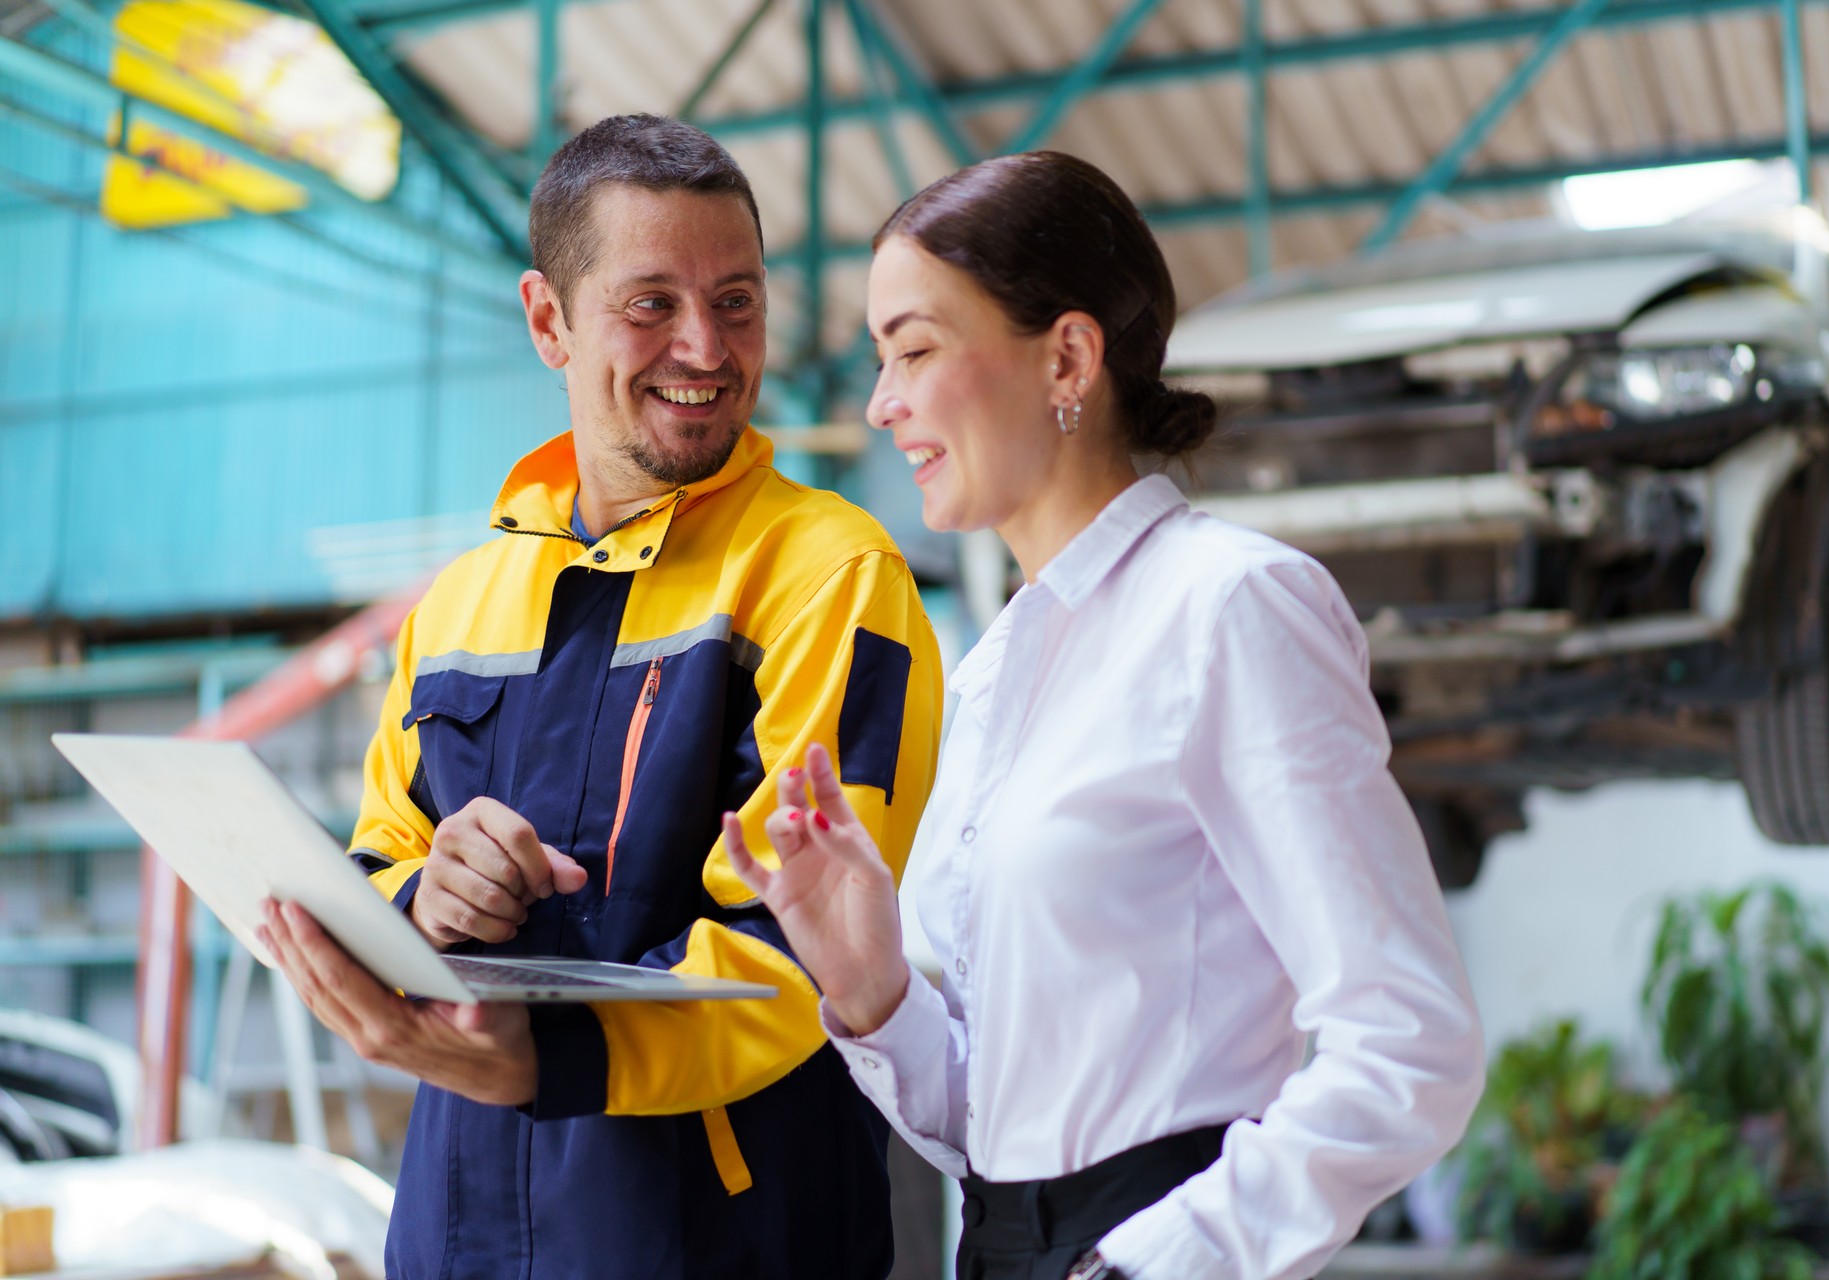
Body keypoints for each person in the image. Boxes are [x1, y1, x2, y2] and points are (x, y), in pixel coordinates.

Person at [720, 151, 1487, 1280]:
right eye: (883, 360)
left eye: (916, 350)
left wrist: (1158, 1260)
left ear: (1068, 355)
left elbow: (1413, 1042)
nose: (882, 402)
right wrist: (875, 988)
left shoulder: (1229, 606)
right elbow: (1005, 1126)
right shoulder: (992, 674)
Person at [257, 114, 943, 1280]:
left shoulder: (830, 574)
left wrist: (548, 1060)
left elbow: (803, 953)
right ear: (547, 320)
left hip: (723, 1244)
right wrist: (428, 895)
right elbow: (381, 852)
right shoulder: (459, 605)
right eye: (651, 304)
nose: (706, 346)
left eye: (736, 300)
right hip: (458, 1233)